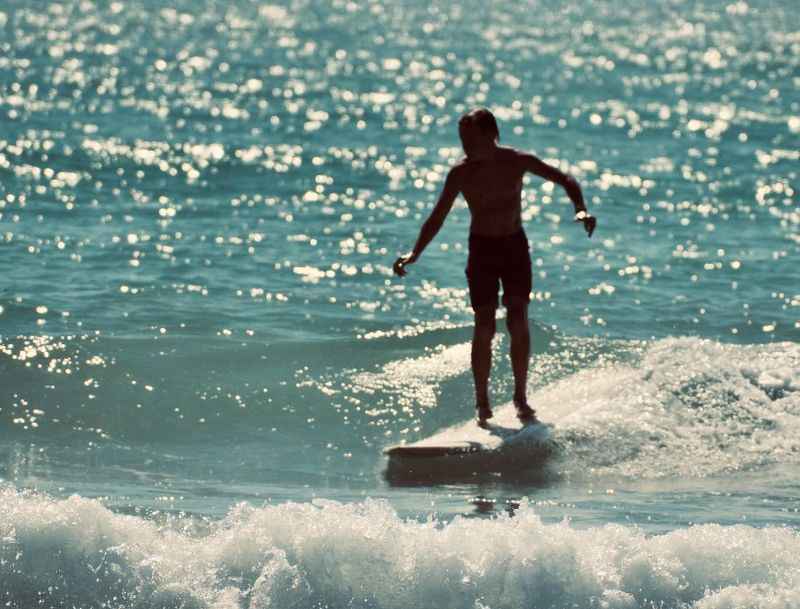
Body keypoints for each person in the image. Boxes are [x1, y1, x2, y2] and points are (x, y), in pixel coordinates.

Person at [393, 108, 596, 426]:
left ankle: (520, 397)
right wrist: (414, 253)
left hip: (514, 246)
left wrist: (581, 209)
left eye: (470, 138)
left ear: (489, 135)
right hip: (482, 251)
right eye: (461, 139)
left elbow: (565, 179)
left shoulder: (516, 161)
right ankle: (483, 403)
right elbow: (438, 215)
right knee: (484, 324)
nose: (465, 146)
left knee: (517, 317)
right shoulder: (460, 174)